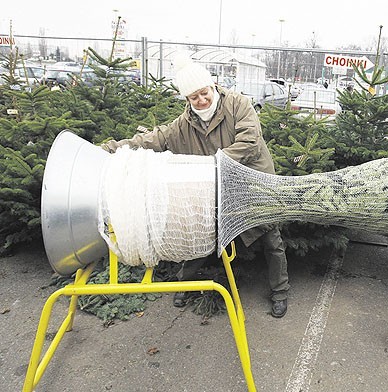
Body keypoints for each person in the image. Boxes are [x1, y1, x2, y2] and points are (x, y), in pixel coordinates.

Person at [101, 58, 290, 318]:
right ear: (186, 99)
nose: (201, 100)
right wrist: (113, 148)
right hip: (213, 186)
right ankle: (184, 285)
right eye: (193, 97)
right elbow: (154, 139)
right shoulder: (184, 124)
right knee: (201, 230)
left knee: (270, 236)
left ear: (213, 86)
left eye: (204, 93)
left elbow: (250, 142)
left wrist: (214, 165)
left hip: (253, 181)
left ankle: (280, 292)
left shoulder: (239, 105)